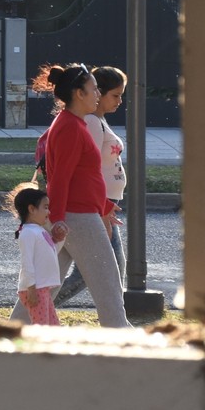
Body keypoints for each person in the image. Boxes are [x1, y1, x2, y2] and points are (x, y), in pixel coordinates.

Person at [9, 63, 131, 328]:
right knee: (108, 284)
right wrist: (61, 219)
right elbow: (61, 179)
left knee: (45, 283)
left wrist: (103, 206)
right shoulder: (71, 127)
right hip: (78, 218)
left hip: (76, 215)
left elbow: (83, 179)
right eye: (93, 89)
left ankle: (11, 331)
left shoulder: (72, 123)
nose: (97, 94)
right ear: (79, 94)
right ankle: (122, 336)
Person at [56, 66, 128, 306]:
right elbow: (87, 170)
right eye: (114, 95)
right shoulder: (90, 123)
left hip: (101, 204)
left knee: (66, 272)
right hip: (95, 207)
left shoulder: (97, 121)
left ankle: (36, 310)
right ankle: (40, 308)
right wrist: (103, 209)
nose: (119, 101)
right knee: (109, 269)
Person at [6, 183, 61, 326]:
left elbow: (47, 252)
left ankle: (49, 348)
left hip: (41, 288)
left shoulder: (38, 230)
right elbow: (27, 263)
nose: (48, 212)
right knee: (41, 326)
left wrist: (58, 239)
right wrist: (31, 289)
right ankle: (36, 348)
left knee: (52, 325)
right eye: (45, 207)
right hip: (35, 289)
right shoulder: (28, 233)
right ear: (31, 209)